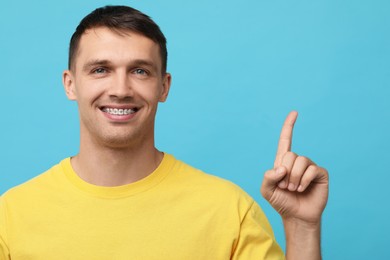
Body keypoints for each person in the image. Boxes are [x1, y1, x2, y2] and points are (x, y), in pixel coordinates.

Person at [0, 5, 328, 260]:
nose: (120, 89)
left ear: (163, 86)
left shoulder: (230, 211)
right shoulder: (10, 216)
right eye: (101, 70)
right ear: (70, 84)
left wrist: (302, 228)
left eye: (139, 71)